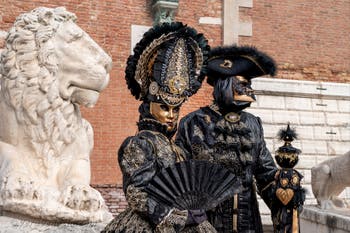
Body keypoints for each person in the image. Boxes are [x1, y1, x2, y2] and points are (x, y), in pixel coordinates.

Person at [103, 22, 215, 232]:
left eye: (176, 109)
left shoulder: (179, 149)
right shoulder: (139, 144)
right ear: (149, 104)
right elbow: (137, 194)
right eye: (164, 107)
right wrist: (174, 215)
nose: (171, 115)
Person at [175, 45, 282, 233]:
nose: (249, 90)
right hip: (205, 225)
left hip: (247, 223)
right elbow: (178, 178)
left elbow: (265, 174)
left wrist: (284, 193)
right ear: (225, 84)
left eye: (249, 84)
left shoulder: (252, 124)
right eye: (243, 83)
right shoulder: (192, 123)